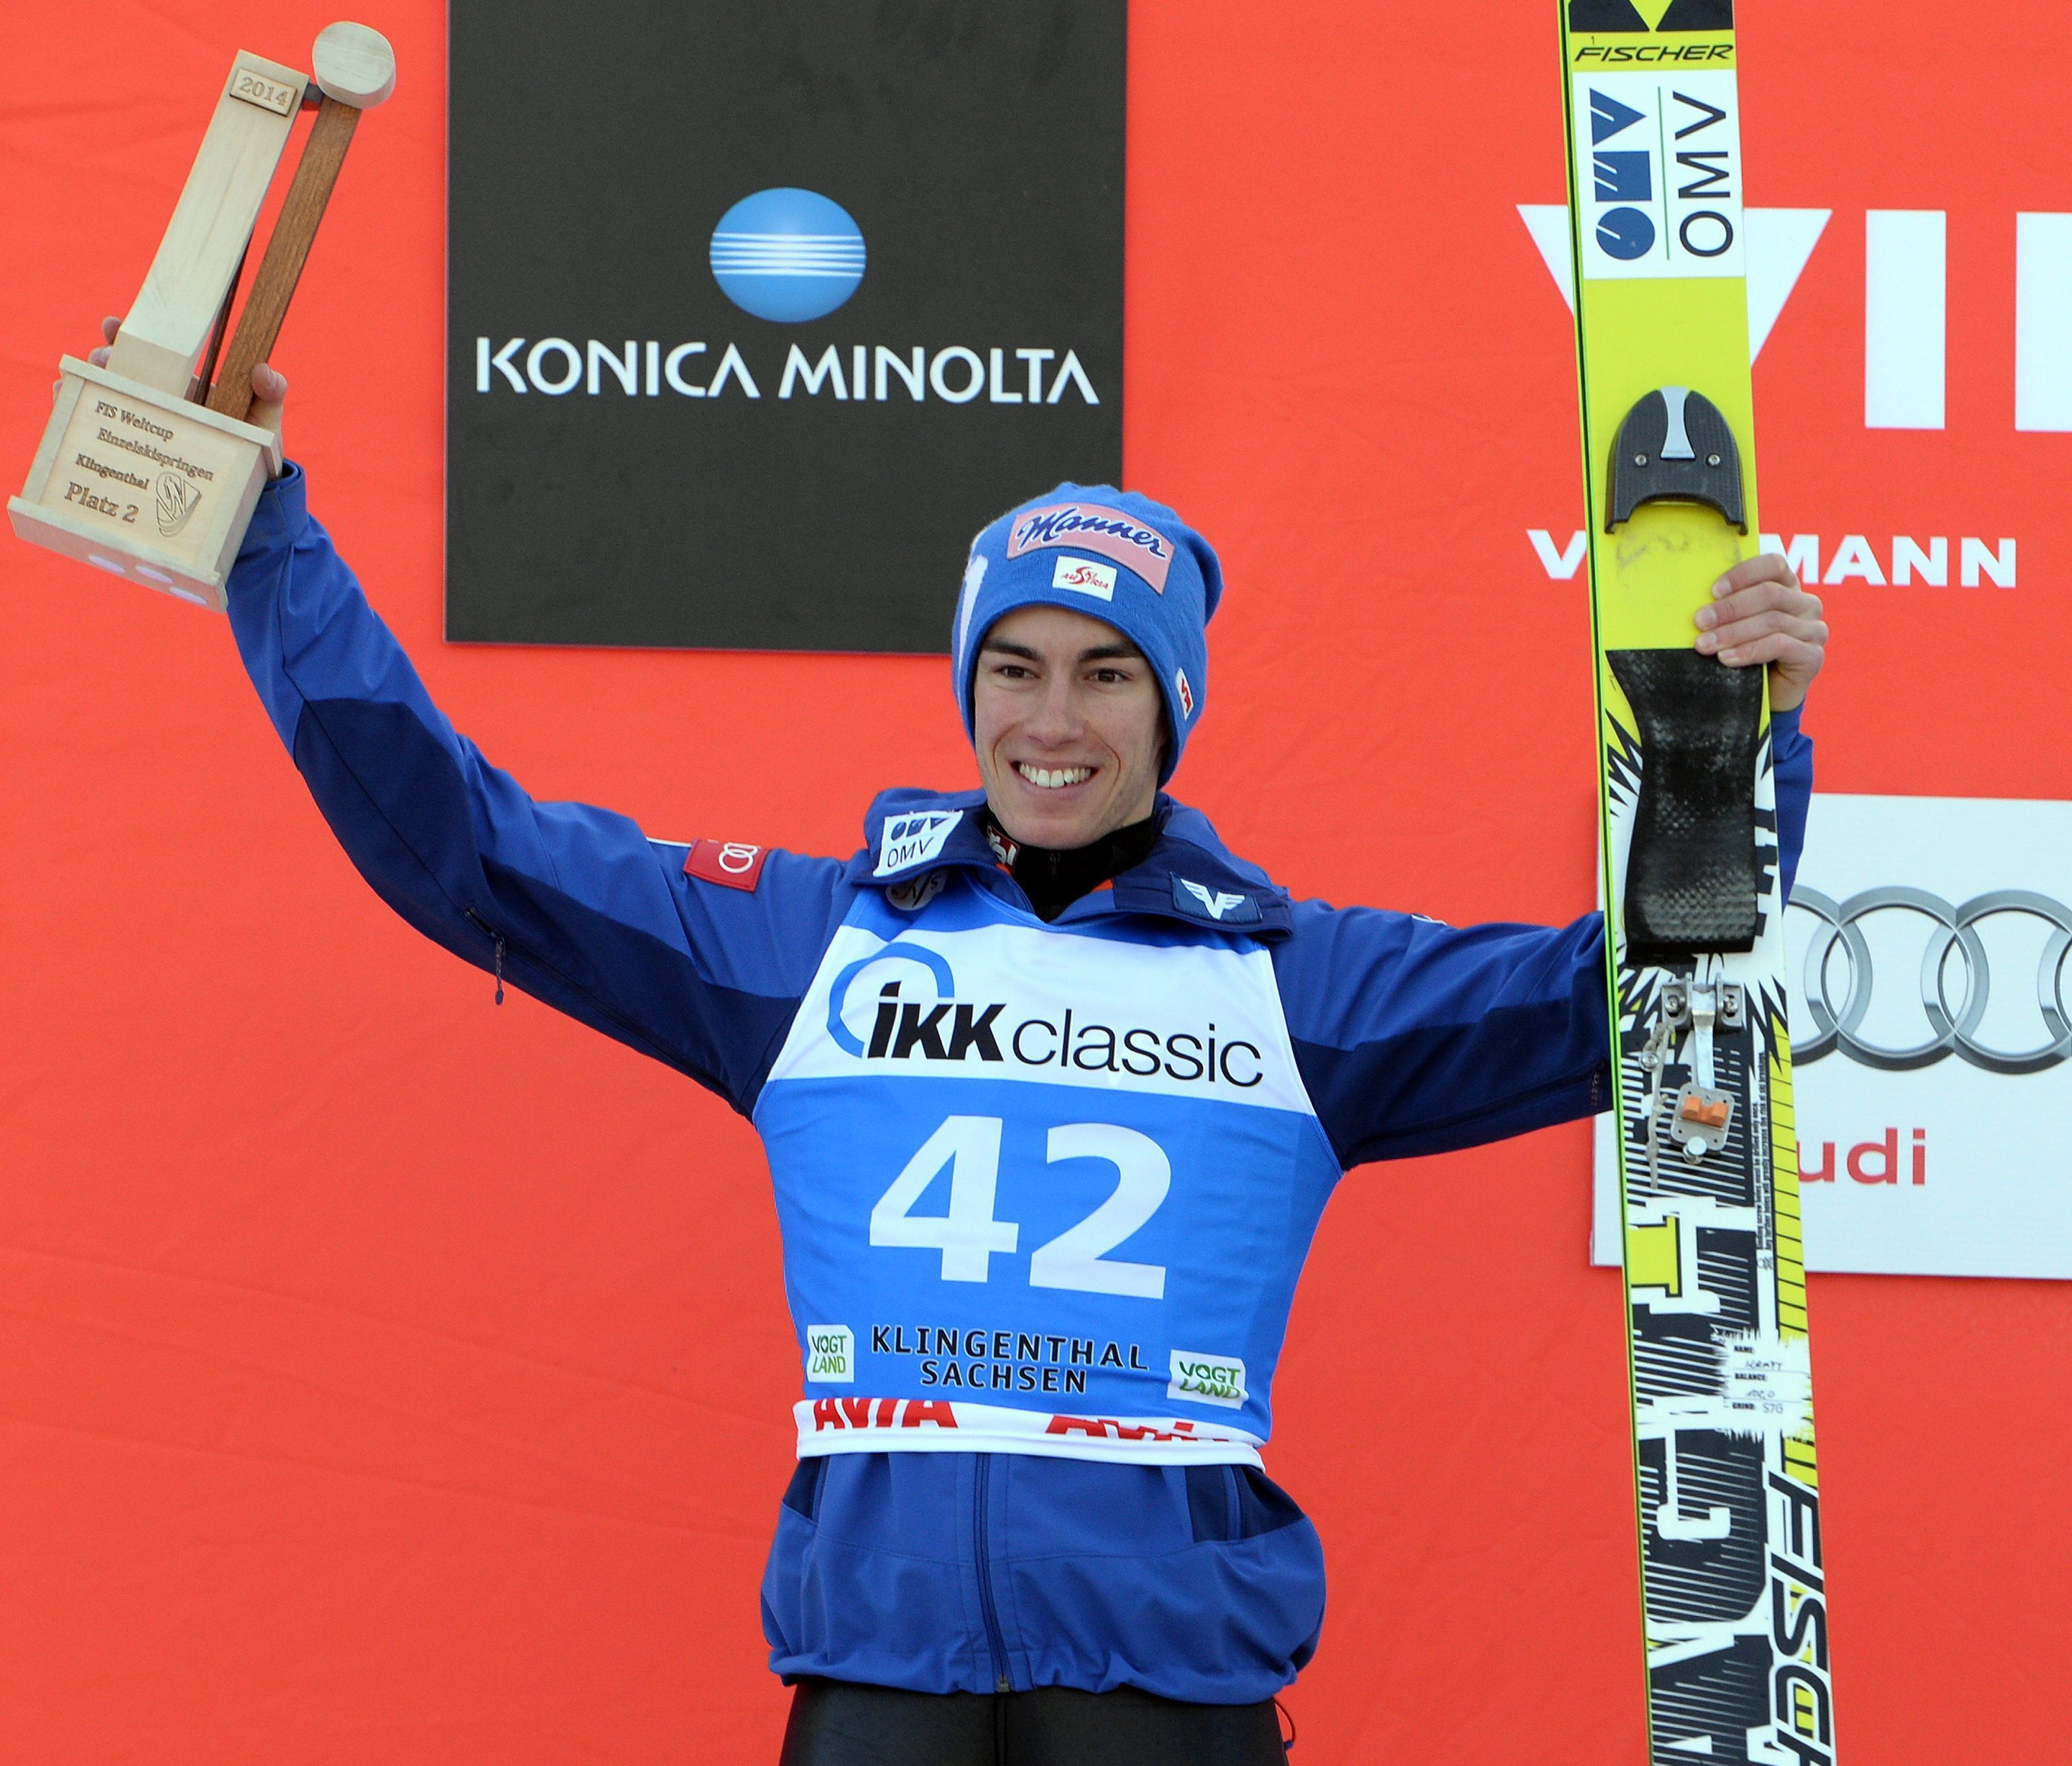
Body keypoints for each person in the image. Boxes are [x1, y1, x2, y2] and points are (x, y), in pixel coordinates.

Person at [89, 321, 1828, 1763]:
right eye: (1013, 667)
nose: (1051, 722)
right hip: (879, 1683)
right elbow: (459, 847)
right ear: (965, 685)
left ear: (1174, 704)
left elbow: (1641, 1002)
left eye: (1106, 674)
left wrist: (1736, 742)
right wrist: (265, 534)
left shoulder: (1296, 990)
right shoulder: (806, 941)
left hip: (1169, 1691)